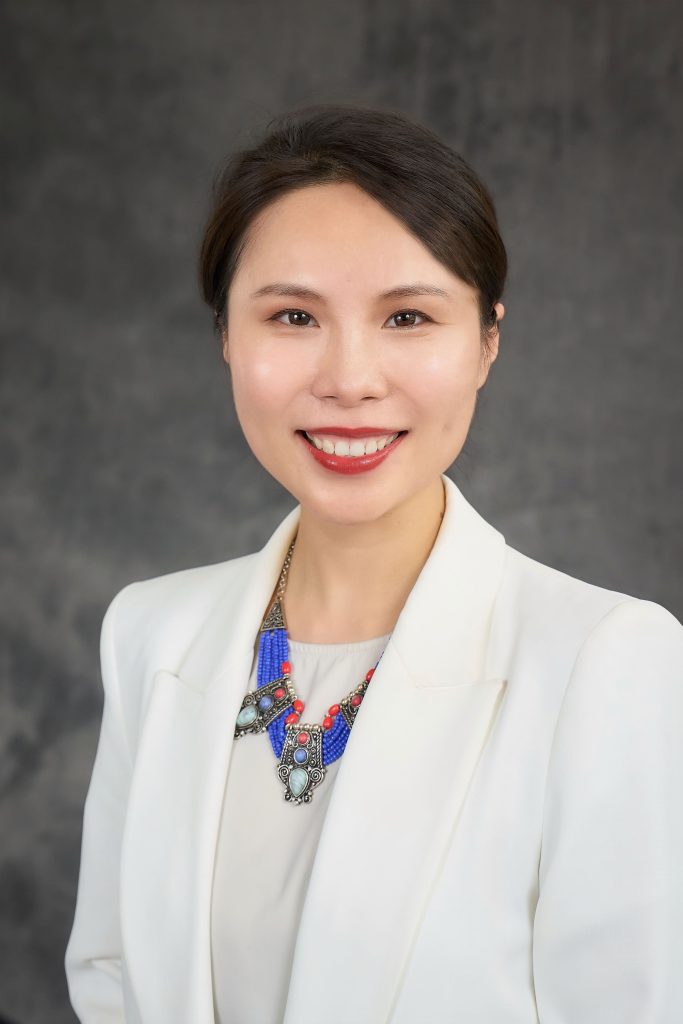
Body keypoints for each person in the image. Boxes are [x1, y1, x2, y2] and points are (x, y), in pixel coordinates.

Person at [64, 104, 683, 1024]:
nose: (349, 379)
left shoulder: (609, 661)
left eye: (405, 316)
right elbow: (111, 978)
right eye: (291, 315)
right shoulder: (151, 632)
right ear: (226, 337)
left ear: (486, 341)